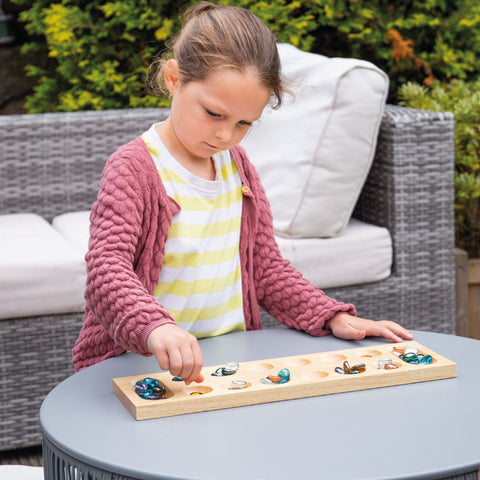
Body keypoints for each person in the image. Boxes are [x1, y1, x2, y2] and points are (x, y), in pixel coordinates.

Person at [72, 1, 412, 383]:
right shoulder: (135, 167)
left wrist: (331, 315)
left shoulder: (238, 166)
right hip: (139, 367)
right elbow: (106, 268)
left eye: (243, 123)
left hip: (223, 370)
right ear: (173, 78)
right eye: (214, 114)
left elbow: (264, 267)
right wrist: (155, 328)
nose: (225, 135)